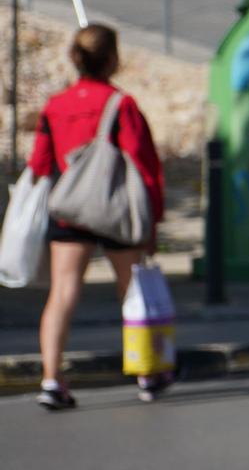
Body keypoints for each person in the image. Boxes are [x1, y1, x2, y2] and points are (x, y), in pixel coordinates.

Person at [30, 24, 167, 410]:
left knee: (63, 292)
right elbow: (143, 164)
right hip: (116, 210)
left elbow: (40, 163)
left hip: (70, 211)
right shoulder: (120, 104)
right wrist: (153, 218)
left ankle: (52, 379)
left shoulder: (55, 105)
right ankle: (147, 372)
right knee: (131, 292)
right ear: (112, 58)